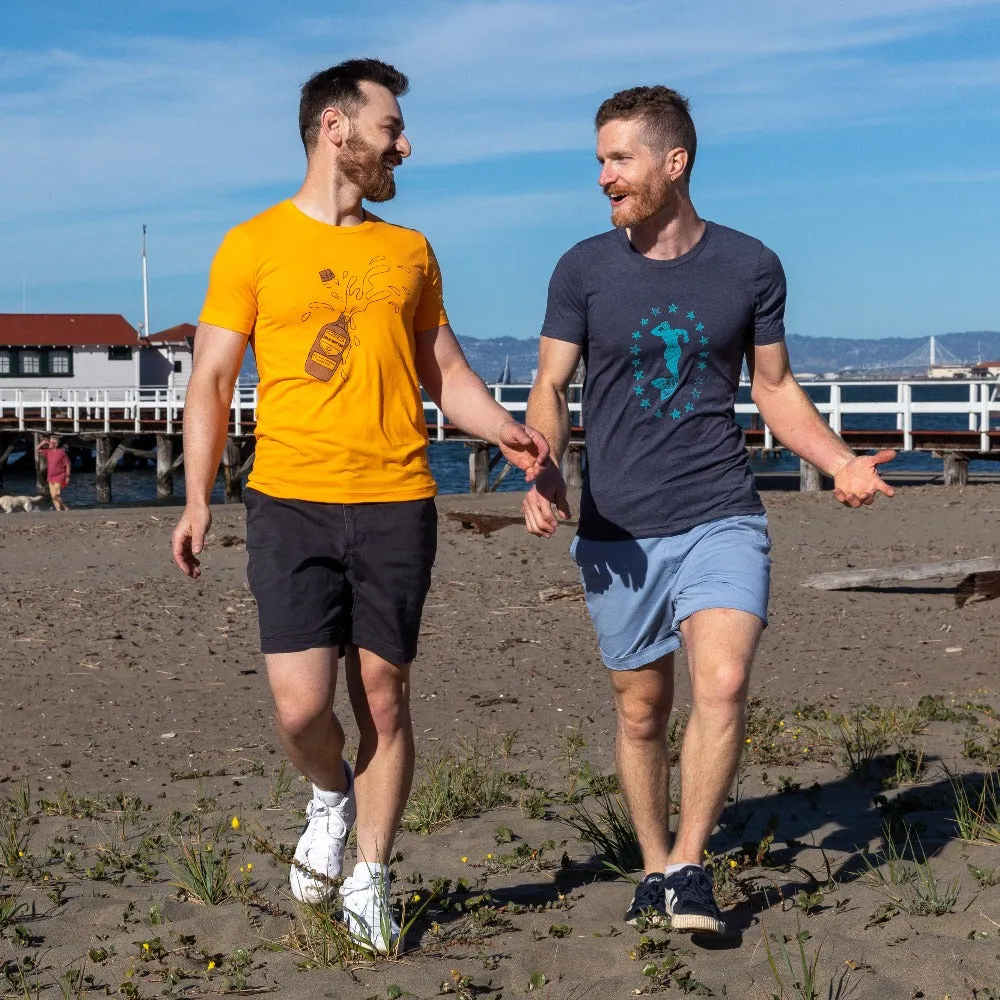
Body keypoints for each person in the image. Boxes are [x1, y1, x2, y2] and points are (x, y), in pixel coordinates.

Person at [171, 58, 548, 953]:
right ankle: (330, 795)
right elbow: (213, 378)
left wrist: (506, 432)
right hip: (290, 500)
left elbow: (446, 373)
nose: (403, 143)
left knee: (384, 696)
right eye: (391, 127)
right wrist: (194, 497)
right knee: (301, 710)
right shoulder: (252, 244)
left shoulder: (408, 250)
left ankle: (372, 875)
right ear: (335, 128)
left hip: (395, 499)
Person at [522, 85, 895, 936]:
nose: (605, 177)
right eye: (600, 162)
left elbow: (773, 388)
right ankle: (653, 867)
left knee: (721, 683)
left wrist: (839, 461)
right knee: (642, 708)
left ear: (673, 161)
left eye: (620, 159)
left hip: (720, 507)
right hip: (616, 525)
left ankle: (689, 866)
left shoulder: (750, 265)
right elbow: (549, 385)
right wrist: (543, 468)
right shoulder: (582, 268)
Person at [39, 436, 71, 511]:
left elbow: (68, 465)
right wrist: (43, 443)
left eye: (51, 442)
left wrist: (68, 476)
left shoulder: (62, 452)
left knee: (56, 496)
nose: (49, 443)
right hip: (50, 477)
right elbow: (38, 449)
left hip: (60, 476)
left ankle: (66, 507)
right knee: (53, 496)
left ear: (56, 444)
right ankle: (58, 510)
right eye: (49, 442)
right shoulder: (48, 451)